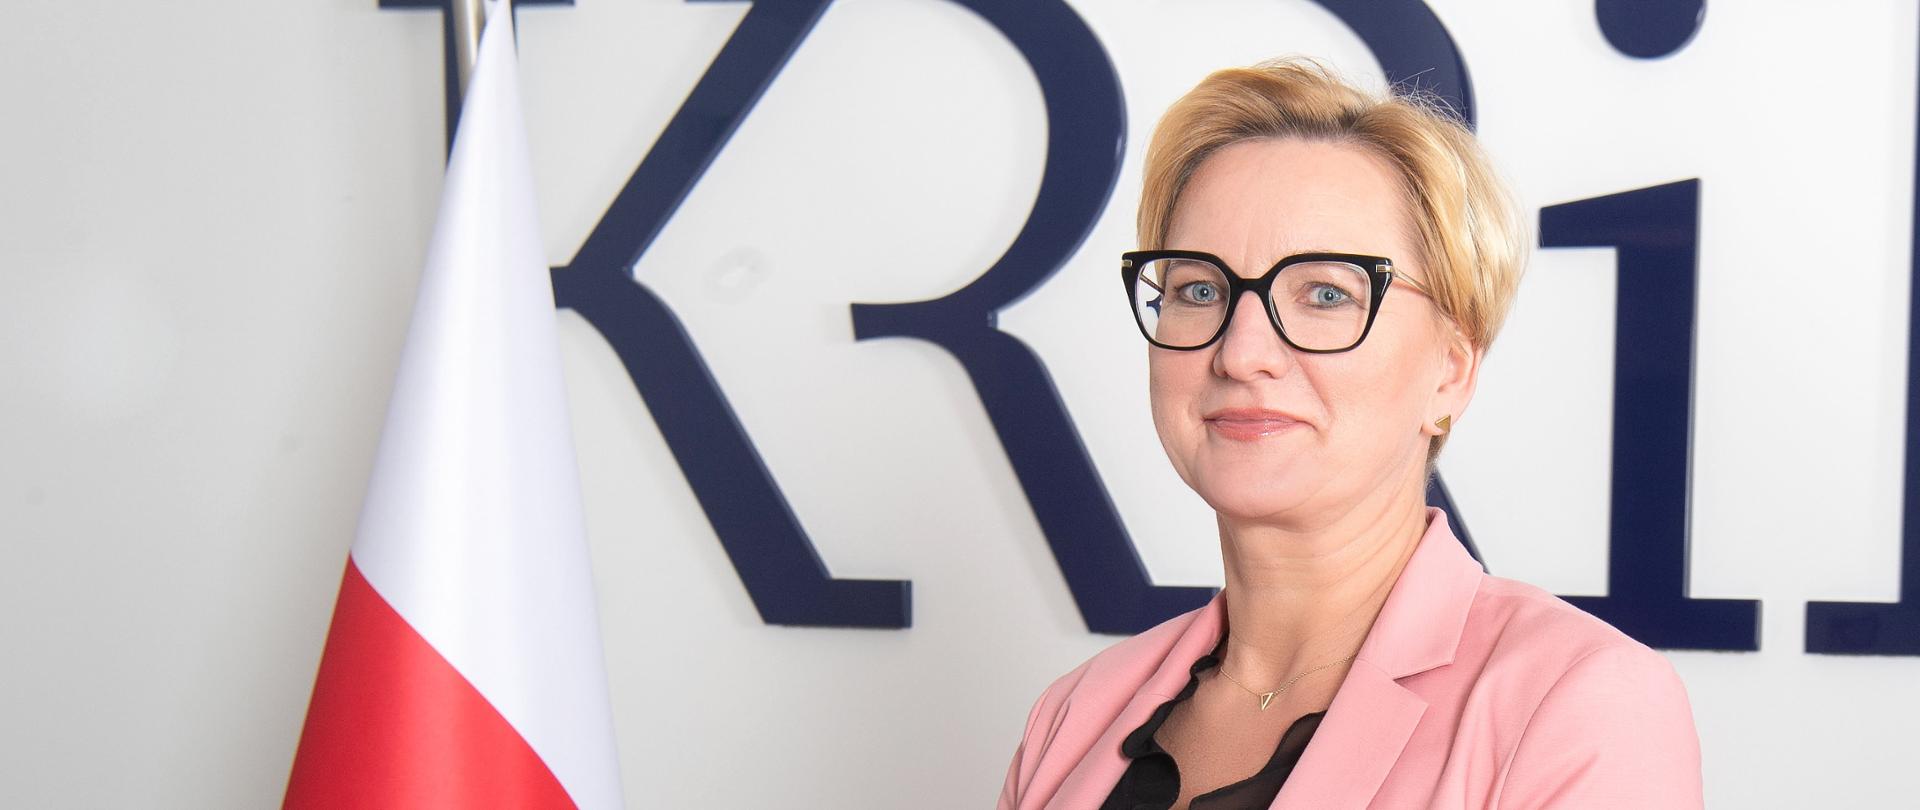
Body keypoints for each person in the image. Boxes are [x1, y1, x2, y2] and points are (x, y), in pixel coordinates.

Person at [997, 58, 1702, 810]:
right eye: (1198, 288)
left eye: (1326, 294)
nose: (1242, 352)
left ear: (1450, 372)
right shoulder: (1072, 716)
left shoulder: (1575, 704)